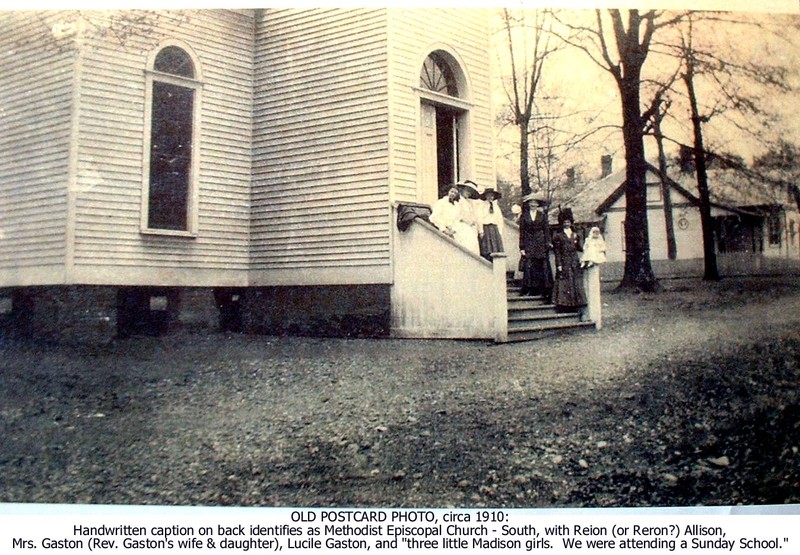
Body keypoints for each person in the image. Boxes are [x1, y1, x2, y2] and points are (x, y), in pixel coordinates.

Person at [518, 192, 553, 301]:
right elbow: (522, 232)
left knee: (541, 265)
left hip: (540, 242)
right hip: (528, 242)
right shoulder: (524, 216)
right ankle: (529, 288)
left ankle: (542, 289)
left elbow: (546, 230)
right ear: (528, 205)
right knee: (529, 265)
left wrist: (548, 242)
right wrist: (522, 247)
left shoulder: (542, 216)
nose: (533, 205)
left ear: (538, 205)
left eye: (535, 203)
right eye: (531, 203)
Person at [551, 208, 587, 313]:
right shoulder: (558, 236)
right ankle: (564, 305)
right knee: (564, 283)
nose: (567, 224)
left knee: (575, 282)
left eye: (568, 222)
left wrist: (581, 239)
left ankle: (575, 305)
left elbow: (580, 248)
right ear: (562, 223)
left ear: (571, 222)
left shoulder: (575, 234)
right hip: (564, 261)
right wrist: (559, 264)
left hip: (574, 261)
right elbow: (557, 252)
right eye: (565, 222)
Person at [454, 180, 481, 255]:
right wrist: (470, 222)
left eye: (470, 192)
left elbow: (473, 216)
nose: (468, 193)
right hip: (461, 226)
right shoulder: (459, 201)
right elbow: (460, 215)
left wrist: (473, 222)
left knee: (472, 246)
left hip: (469, 227)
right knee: (465, 245)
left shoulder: (469, 203)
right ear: (462, 190)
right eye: (467, 190)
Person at [478, 187, 505, 261]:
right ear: (486, 196)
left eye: (492, 196)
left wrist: (499, 231)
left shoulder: (496, 206)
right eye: (489, 195)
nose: (490, 197)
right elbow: (479, 218)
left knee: (496, 249)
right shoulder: (482, 206)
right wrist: (481, 231)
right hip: (486, 228)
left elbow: (500, 219)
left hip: (494, 229)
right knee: (487, 249)